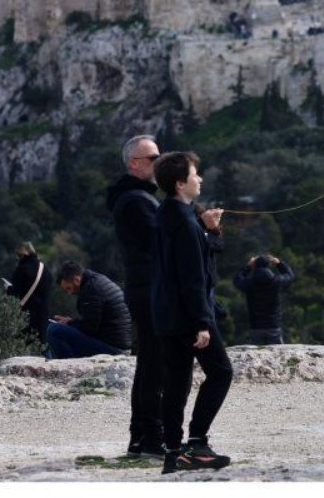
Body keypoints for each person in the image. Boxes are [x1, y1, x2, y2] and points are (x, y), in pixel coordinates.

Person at [152, 151, 233, 474]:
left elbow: (186, 260)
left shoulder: (166, 215)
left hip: (166, 314)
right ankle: (197, 442)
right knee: (221, 372)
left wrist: (207, 230)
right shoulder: (185, 222)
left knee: (176, 383)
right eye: (195, 174)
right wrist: (202, 322)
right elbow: (193, 277)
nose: (199, 179)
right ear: (180, 183)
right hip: (189, 316)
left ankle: (173, 453)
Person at [106, 133, 168, 459]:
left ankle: (140, 438)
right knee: (154, 366)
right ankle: (151, 441)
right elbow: (159, 244)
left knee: (149, 365)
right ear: (134, 163)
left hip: (145, 289)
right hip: (149, 291)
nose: (159, 162)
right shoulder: (135, 201)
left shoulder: (136, 198)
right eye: (153, 158)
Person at [46, 262, 132, 359]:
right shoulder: (97, 281)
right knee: (58, 331)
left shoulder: (91, 289)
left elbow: (89, 329)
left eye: (68, 288)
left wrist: (70, 324)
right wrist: (70, 322)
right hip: (118, 346)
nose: (70, 293)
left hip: (113, 350)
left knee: (54, 330)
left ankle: (67, 369)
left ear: (76, 279)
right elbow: (93, 324)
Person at [234, 254, 295, 345]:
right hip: (273, 325)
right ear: (269, 266)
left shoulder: (249, 283)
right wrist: (279, 264)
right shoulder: (276, 282)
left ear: (255, 266)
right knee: (277, 355)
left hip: (256, 326)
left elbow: (237, 280)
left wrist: (248, 267)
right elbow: (289, 276)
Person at [4, 241, 52, 342]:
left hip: (26, 316)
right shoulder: (45, 270)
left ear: (22, 254)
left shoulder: (22, 270)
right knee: (42, 345)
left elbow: (15, 293)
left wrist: (8, 288)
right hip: (43, 316)